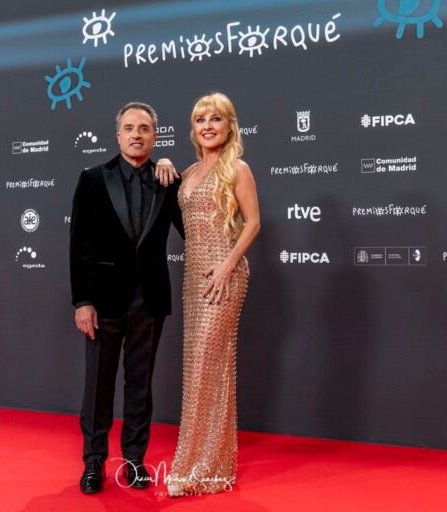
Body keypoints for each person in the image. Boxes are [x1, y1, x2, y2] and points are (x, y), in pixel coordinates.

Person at [69, 101, 184, 494]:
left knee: (140, 384)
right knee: (98, 384)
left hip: (149, 301)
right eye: (130, 128)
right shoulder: (94, 179)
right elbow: (79, 246)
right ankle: (94, 461)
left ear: (155, 135)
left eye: (145, 128)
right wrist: (82, 302)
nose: (137, 134)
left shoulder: (169, 180)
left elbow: (192, 228)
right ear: (118, 135)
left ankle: (134, 460)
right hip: (103, 302)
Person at [165, 92, 260, 496]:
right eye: (200, 119)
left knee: (210, 364)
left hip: (225, 273)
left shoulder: (237, 168)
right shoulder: (186, 173)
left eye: (215, 119)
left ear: (229, 126)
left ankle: (204, 468)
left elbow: (254, 223)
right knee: (198, 368)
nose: (207, 126)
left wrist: (226, 265)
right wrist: (165, 164)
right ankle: (200, 462)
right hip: (193, 278)